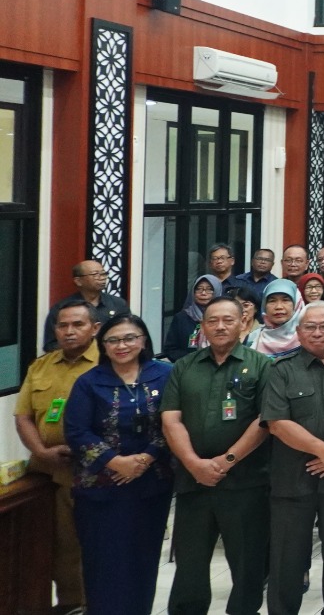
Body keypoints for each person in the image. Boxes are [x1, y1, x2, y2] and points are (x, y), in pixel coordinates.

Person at [160, 296, 274, 615]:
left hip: (245, 482)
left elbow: (265, 420)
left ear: (243, 323)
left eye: (228, 320)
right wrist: (193, 463)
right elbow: (170, 419)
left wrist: (227, 461)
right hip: (194, 482)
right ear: (203, 326)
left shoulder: (262, 365)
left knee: (247, 563)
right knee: (190, 563)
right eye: (212, 321)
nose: (220, 326)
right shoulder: (184, 367)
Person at [64, 313, 173, 615]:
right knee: (105, 565)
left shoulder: (165, 375)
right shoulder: (89, 382)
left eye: (129, 338)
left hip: (151, 487)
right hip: (102, 491)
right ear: (103, 345)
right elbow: (76, 431)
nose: (121, 345)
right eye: (112, 340)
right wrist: (115, 462)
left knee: (143, 561)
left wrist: (146, 458)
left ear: (143, 341)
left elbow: (175, 421)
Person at [261, 300, 324, 615]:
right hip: (293, 479)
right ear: (298, 330)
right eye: (310, 327)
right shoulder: (280, 369)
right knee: (286, 559)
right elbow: (277, 423)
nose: (317, 333)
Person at [15, 303, 98, 610]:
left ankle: (90, 604)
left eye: (78, 324)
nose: (69, 331)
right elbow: (23, 416)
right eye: (63, 326)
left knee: (87, 545)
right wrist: (41, 451)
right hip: (45, 472)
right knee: (51, 546)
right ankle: (66, 604)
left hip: (91, 473)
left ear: (95, 328)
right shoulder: (41, 366)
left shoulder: (107, 364)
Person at [42, 259, 131, 351]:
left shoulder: (118, 304)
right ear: (78, 281)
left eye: (104, 274)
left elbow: (128, 335)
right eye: (95, 274)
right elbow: (50, 345)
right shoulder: (62, 308)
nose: (102, 278)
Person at [166, 274, 223, 360]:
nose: (203, 293)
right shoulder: (181, 318)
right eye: (199, 289)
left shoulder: (224, 317)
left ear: (217, 291)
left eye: (209, 289)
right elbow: (170, 349)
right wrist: (193, 360)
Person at [251, 277, 304, 358]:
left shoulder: (309, 338)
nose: (278, 307)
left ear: (297, 304)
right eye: (272, 301)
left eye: (285, 300)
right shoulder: (252, 339)